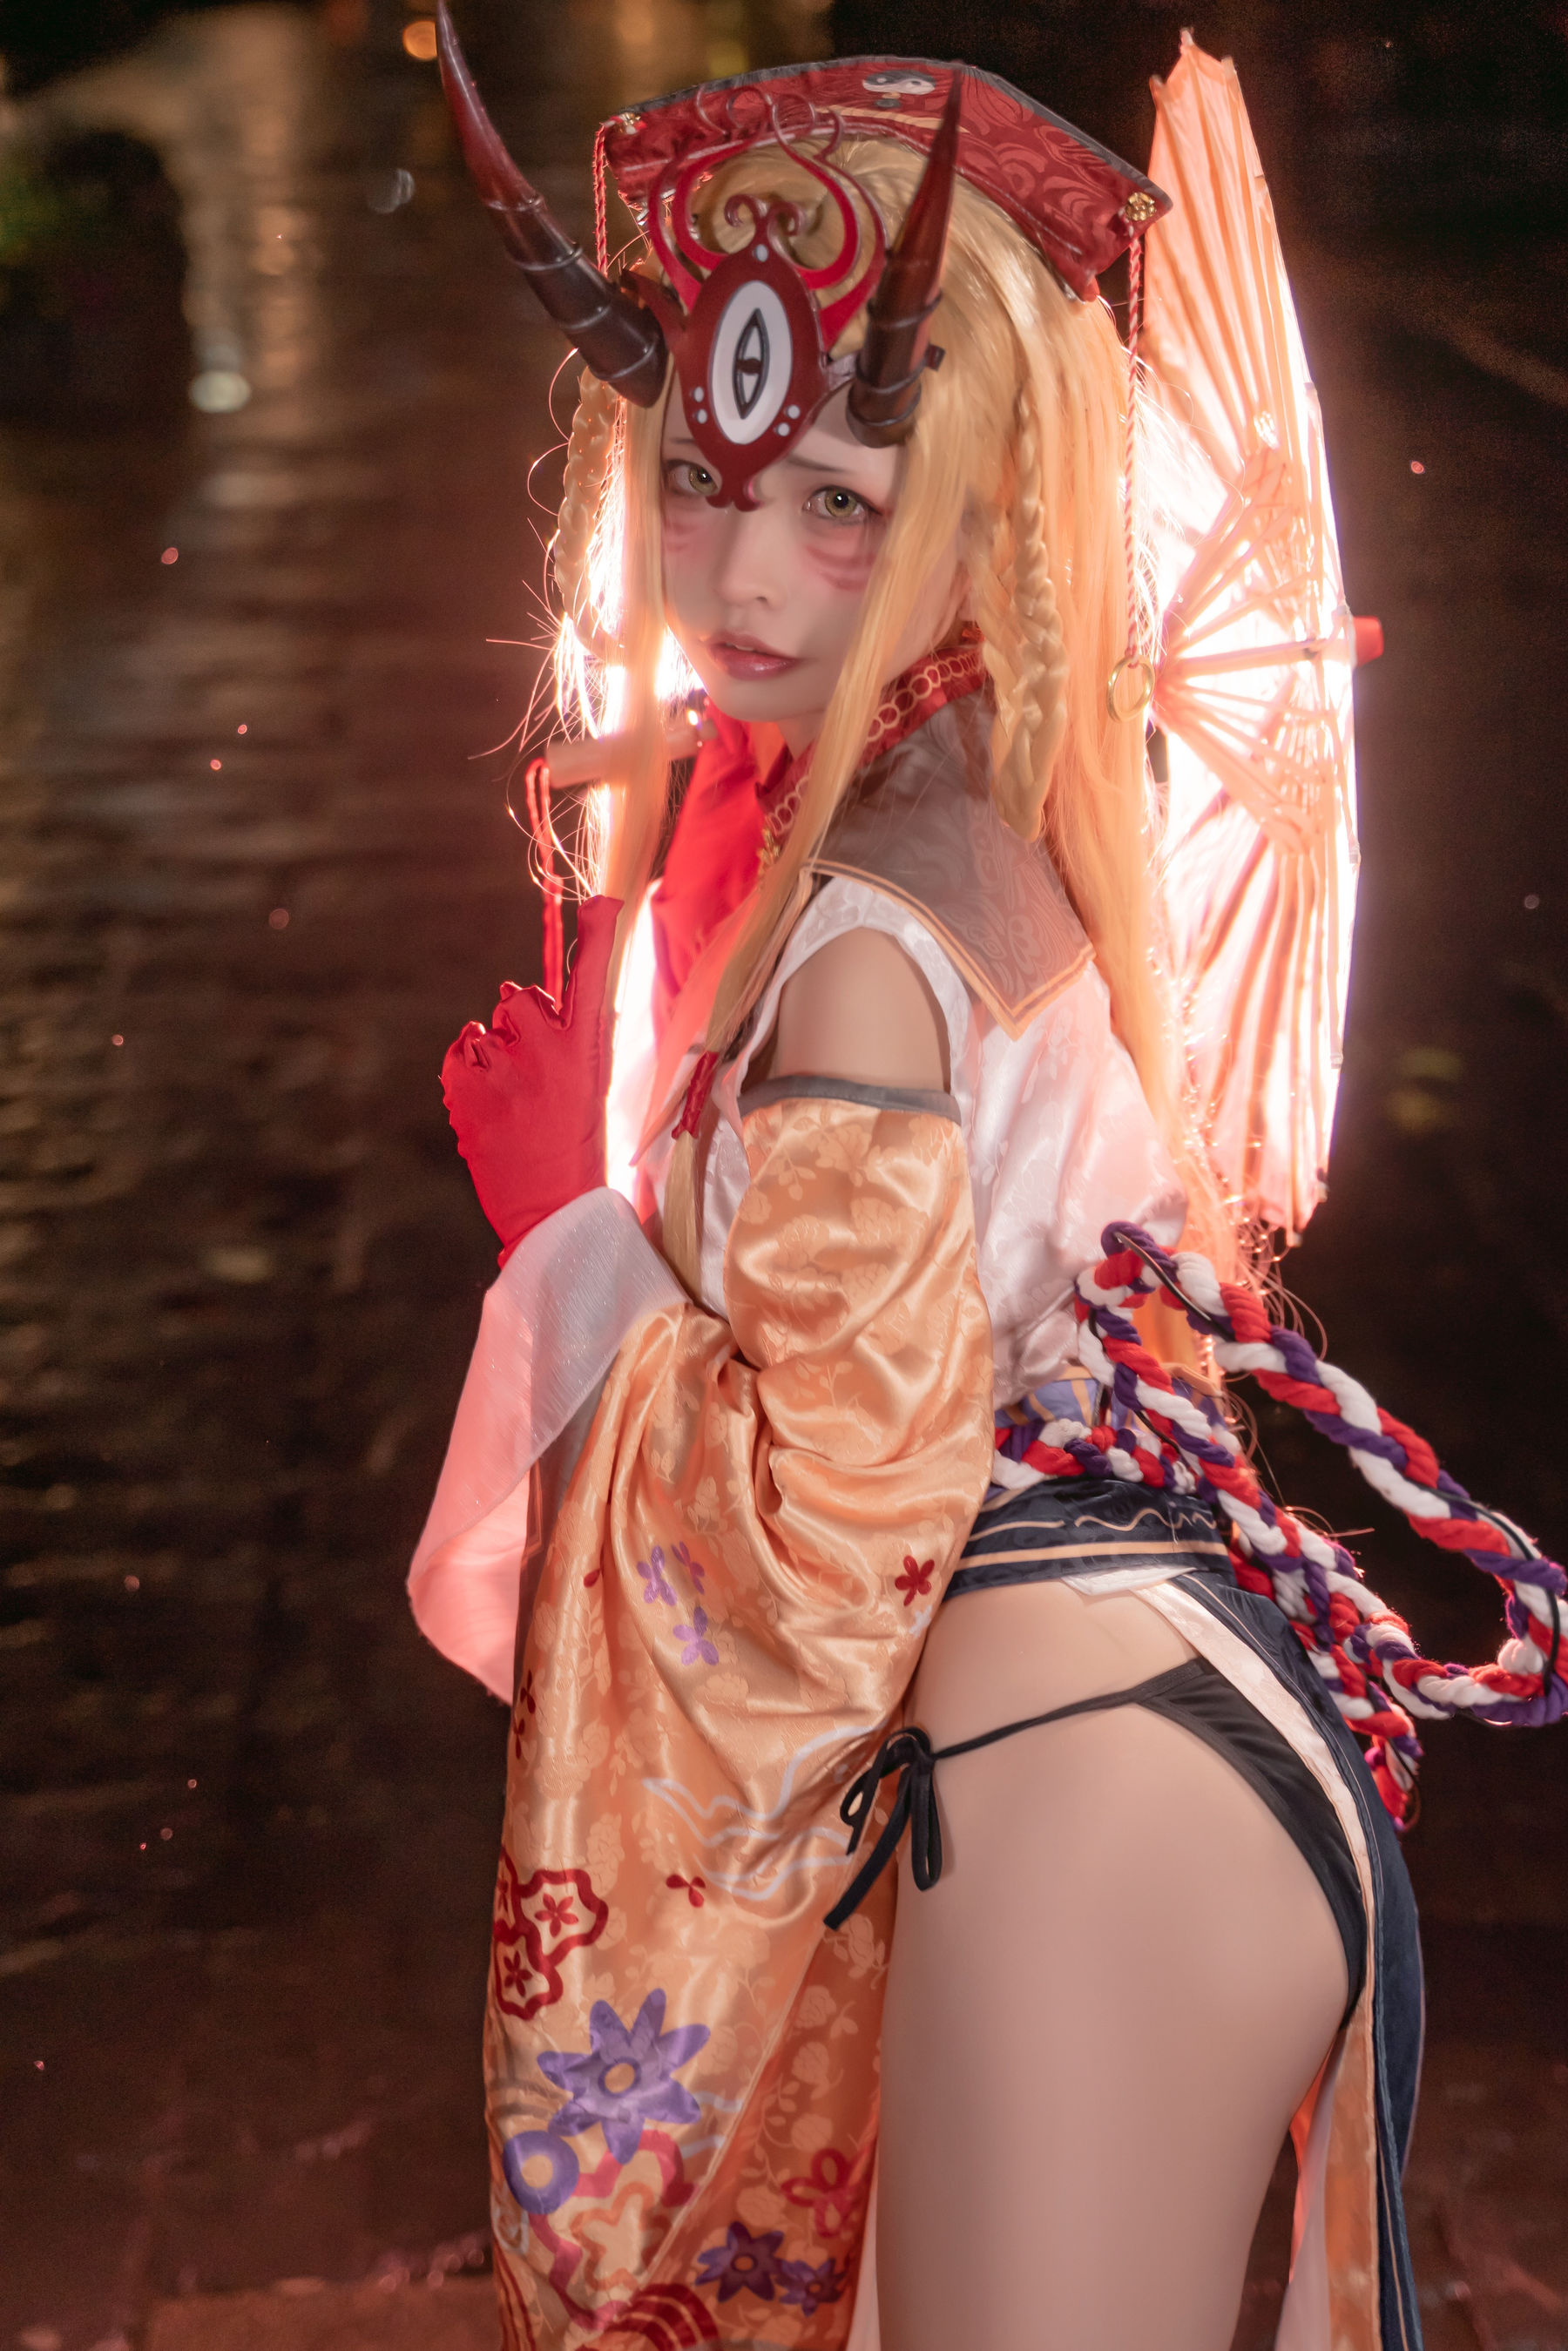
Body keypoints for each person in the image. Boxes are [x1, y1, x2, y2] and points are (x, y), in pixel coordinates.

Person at [410, 21, 1565, 2348]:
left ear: (981, 504)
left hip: (1070, 1794)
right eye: (702, 481)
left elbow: (836, 1542)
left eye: (841, 501)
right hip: (1112, 1739)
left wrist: (569, 1241)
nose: (742, 570)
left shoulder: (865, 943)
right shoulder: (956, 836)